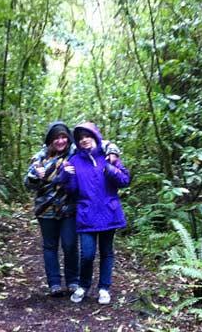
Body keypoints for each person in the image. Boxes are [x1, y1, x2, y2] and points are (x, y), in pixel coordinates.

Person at [24, 121, 121, 297]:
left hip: (69, 207)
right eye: (56, 138)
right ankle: (54, 283)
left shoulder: (74, 152)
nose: (60, 141)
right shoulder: (40, 159)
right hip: (46, 209)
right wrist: (36, 176)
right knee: (50, 246)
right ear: (50, 141)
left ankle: (73, 281)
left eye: (63, 137)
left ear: (68, 139)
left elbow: (100, 142)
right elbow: (28, 183)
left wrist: (113, 151)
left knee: (70, 245)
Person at [59, 122, 130, 304]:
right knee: (87, 254)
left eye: (87, 136)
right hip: (86, 214)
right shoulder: (74, 161)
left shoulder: (108, 157)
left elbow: (124, 180)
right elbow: (72, 190)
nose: (84, 140)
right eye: (80, 137)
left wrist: (112, 170)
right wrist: (66, 176)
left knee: (107, 252)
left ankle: (104, 288)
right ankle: (84, 285)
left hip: (109, 212)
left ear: (95, 136)